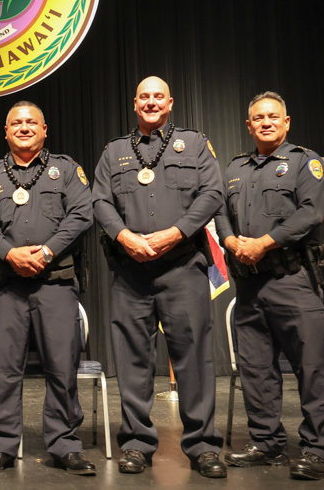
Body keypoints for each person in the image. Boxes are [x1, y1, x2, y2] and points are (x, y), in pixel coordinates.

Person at [91, 76, 226, 478]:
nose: (151, 102)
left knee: (195, 359)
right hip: (132, 270)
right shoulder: (114, 151)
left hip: (182, 266)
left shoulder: (196, 144)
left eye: (158, 97)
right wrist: (124, 236)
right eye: (144, 97)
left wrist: (177, 232)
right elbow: (99, 199)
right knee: (132, 361)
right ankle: (135, 443)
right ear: (135, 104)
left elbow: (213, 194)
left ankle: (202, 446)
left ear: (170, 102)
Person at [213, 91, 324, 481]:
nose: (265, 122)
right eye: (258, 118)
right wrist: (232, 243)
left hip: (293, 281)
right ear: (248, 126)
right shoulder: (235, 169)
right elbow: (220, 213)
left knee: (311, 368)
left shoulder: (306, 162)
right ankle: (266, 443)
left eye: (273, 117)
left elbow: (310, 213)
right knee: (255, 368)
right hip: (249, 286)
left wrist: (264, 243)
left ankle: (319, 449)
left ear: (286, 122)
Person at [0, 101, 95, 476]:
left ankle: (65, 445)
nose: (24, 128)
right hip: (7, 284)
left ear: (44, 130)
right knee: (3, 368)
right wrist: (9, 253)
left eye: (31, 123)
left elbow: (82, 213)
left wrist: (48, 250)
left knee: (61, 366)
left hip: (54, 282)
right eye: (16, 124)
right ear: (6, 132)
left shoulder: (67, 170)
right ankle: (2, 446)